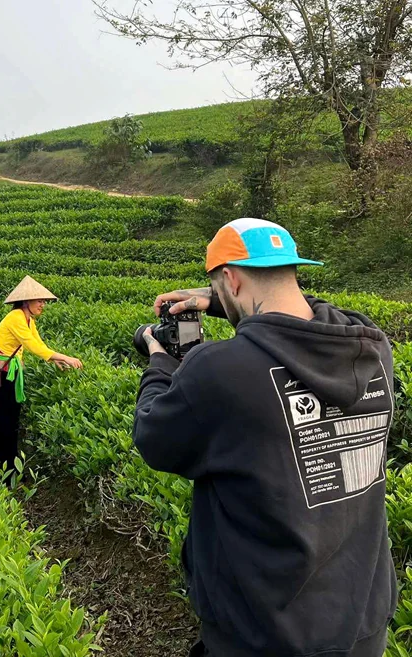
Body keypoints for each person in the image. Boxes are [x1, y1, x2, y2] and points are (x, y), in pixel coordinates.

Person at [136, 218, 397, 657]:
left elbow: (153, 435)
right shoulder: (371, 347)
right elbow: (308, 314)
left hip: (264, 630)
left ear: (231, 278)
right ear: (292, 270)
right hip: (363, 618)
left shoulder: (219, 369)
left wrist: (159, 361)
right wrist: (217, 302)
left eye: (219, 289)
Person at [0, 275, 83, 476]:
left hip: (11, 375)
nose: (43, 305)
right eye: (39, 300)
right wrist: (66, 357)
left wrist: (54, 359)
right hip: (3, 377)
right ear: (26, 301)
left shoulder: (27, 320)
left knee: (10, 421)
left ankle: (6, 470)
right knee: (2, 421)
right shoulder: (15, 318)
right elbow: (32, 345)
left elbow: (39, 344)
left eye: (43, 301)